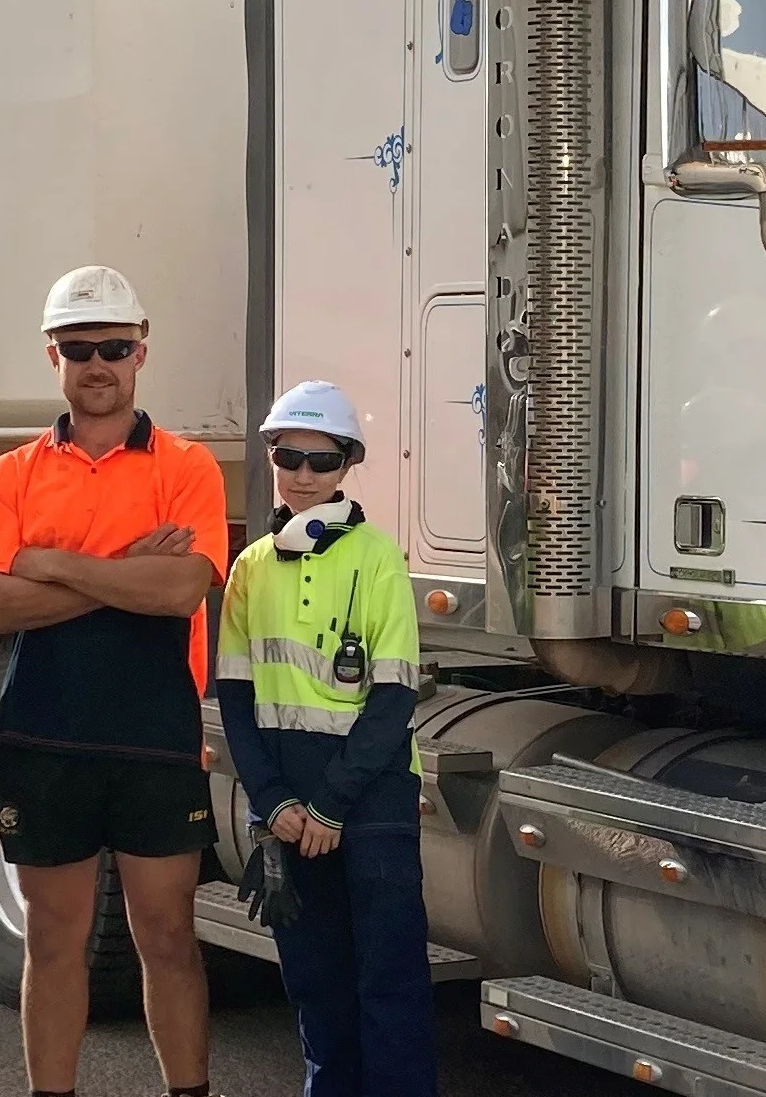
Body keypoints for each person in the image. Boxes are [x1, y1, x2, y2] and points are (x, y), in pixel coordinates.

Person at [0, 267, 228, 1097]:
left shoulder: (187, 465)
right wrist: (121, 574)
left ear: (142, 350)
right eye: (80, 349)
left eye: (114, 346)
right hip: (43, 739)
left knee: (169, 938)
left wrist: (56, 568)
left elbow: (182, 589)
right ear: (55, 356)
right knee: (53, 940)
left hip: (153, 738)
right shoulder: (10, 474)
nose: (97, 363)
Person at [213, 381, 433, 1097]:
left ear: (346, 464)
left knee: (389, 987)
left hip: (369, 806)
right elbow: (238, 703)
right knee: (317, 992)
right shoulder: (248, 569)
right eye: (289, 456)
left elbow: (393, 696)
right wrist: (274, 804)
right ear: (272, 456)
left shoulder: (376, 557)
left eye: (320, 459)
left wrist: (331, 807)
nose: (303, 474)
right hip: (288, 811)